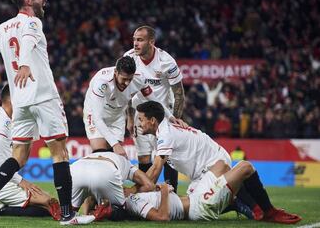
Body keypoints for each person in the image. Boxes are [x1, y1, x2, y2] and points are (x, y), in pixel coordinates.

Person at [0, 0, 94, 225]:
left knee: (18, 156)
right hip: (43, 95)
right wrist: (26, 64)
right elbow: (27, 41)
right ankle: (68, 215)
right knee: (59, 152)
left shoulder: (2, 28)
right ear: (27, 1)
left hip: (20, 101)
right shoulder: (33, 22)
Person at [135, 100, 302, 223]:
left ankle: (268, 211)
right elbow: (153, 171)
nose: (139, 123)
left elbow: (155, 171)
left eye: (141, 119)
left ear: (152, 120)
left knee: (203, 202)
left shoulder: (165, 134)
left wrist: (133, 191)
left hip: (214, 163)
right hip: (201, 173)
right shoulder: (163, 130)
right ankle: (234, 201)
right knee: (194, 202)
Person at [123, 160, 301, 224]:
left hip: (193, 196)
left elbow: (146, 183)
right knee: (245, 167)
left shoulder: (134, 195)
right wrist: (163, 191)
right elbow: (162, 217)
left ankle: (232, 199)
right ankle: (268, 212)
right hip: (198, 208)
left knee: (221, 164)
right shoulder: (132, 202)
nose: (122, 186)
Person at [0, 84, 60, 220]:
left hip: (8, 181)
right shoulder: (2, 122)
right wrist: (21, 181)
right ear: (12, 100)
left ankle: (0, 205)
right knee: (48, 203)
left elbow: (20, 160)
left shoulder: (9, 121)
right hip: (1, 185)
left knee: (48, 203)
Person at [124, 25, 186, 191]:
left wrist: (176, 118)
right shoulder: (129, 58)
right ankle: (144, 195)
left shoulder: (166, 61)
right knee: (143, 157)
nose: (135, 44)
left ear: (151, 42)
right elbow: (126, 92)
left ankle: (170, 193)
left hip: (163, 115)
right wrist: (130, 118)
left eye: (140, 40)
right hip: (140, 115)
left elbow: (179, 93)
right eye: (134, 40)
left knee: (168, 157)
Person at [83, 56, 181, 158]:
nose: (127, 83)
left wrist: (170, 117)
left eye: (130, 79)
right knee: (100, 153)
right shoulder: (102, 82)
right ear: (116, 72)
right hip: (96, 113)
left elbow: (153, 99)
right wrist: (115, 145)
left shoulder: (139, 78)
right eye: (124, 79)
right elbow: (97, 118)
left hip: (117, 114)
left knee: (114, 156)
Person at [70, 151, 154, 216]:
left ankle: (72, 212)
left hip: (76, 167)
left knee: (69, 212)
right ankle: (103, 212)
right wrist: (133, 189)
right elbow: (149, 185)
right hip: (107, 169)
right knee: (121, 211)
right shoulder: (128, 165)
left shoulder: (96, 154)